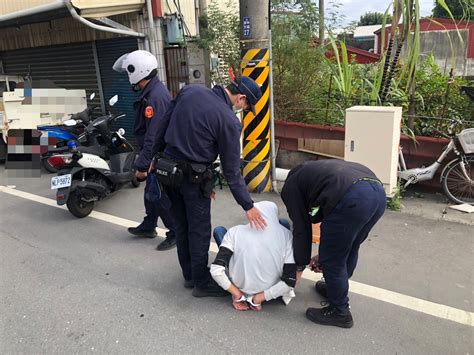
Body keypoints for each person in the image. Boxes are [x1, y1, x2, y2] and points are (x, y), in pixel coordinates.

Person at [152, 76, 267, 297]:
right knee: (199, 231)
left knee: (181, 225)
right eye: (246, 106)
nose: (243, 109)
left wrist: (148, 158)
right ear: (241, 97)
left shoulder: (191, 91)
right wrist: (248, 205)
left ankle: (189, 276)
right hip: (192, 181)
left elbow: (162, 124)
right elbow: (232, 171)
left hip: (167, 173)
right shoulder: (229, 121)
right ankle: (201, 283)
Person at [281, 160, 386, 328]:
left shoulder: (291, 188)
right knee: (350, 245)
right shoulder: (316, 173)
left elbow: (302, 229)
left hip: (353, 198)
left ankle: (340, 311)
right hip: (378, 194)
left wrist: (299, 265)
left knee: (333, 258)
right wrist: (322, 254)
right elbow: (318, 213)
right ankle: (334, 289)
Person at [113, 50, 177, 251]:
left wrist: (143, 164)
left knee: (159, 195)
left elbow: (154, 135)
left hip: (159, 155)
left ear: (138, 71)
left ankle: (175, 232)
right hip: (154, 154)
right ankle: (149, 226)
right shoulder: (150, 92)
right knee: (151, 193)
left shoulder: (155, 97)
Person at [210, 201, 296, 311]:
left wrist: (238, 295)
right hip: (271, 289)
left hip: (240, 287)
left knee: (220, 231)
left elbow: (216, 271)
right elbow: (290, 281)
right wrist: (257, 299)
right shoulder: (287, 235)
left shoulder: (235, 231)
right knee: (284, 223)